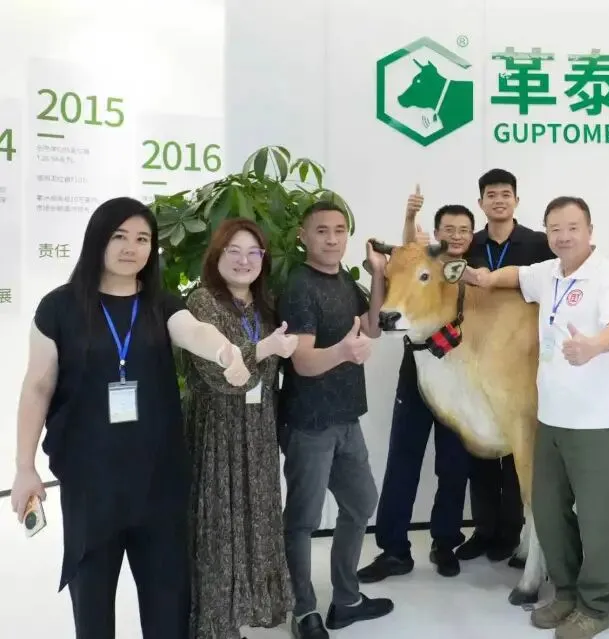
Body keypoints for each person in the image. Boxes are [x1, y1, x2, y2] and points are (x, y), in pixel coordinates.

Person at [9, 197, 251, 639]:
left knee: (167, 603)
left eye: (142, 239)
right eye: (119, 236)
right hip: (91, 483)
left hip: (158, 481)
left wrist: (224, 350)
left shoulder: (161, 303)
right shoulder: (59, 307)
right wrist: (25, 467)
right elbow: (37, 386)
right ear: (97, 240)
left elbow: (193, 331)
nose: (131, 247)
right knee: (92, 604)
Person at [465, 196, 609, 639]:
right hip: (551, 417)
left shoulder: (607, 276)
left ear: (590, 230)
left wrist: (593, 346)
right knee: (549, 511)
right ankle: (566, 593)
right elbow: (513, 275)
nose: (563, 236)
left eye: (573, 227)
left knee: (595, 517)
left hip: (596, 420)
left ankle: (596, 607)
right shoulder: (547, 273)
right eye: (554, 228)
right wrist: (482, 277)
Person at [278, 201, 392, 639]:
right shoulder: (299, 287)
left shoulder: (345, 280)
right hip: (309, 423)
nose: (331, 238)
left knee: (361, 503)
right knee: (303, 520)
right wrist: (344, 351)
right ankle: (303, 610)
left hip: (347, 417)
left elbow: (373, 326)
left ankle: (346, 600)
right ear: (303, 236)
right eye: (321, 230)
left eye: (339, 230)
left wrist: (378, 274)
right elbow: (303, 362)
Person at [183, 219, 297, 639]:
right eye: (234, 250)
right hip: (218, 432)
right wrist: (266, 348)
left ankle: (243, 614)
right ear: (217, 255)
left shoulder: (265, 305)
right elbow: (217, 375)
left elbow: (269, 376)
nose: (244, 260)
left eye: (254, 252)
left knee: (255, 524)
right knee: (219, 530)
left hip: (258, 431)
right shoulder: (202, 303)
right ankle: (213, 627)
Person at [358, 193, 477, 582]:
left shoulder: (474, 274)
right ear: (437, 233)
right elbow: (406, 250)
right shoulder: (417, 262)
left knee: (454, 463)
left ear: (472, 236)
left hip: (459, 376)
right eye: (449, 229)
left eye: (463, 230)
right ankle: (394, 549)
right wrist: (409, 219)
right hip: (416, 372)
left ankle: (445, 542)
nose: (456, 236)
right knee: (402, 459)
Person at [456, 168, 554, 566]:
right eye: (491, 195)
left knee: (519, 447)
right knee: (480, 448)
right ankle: (484, 530)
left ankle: (514, 532)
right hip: (476, 357)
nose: (499, 200)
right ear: (480, 202)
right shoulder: (469, 244)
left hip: (523, 358)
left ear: (516, 200)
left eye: (505, 194)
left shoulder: (539, 244)